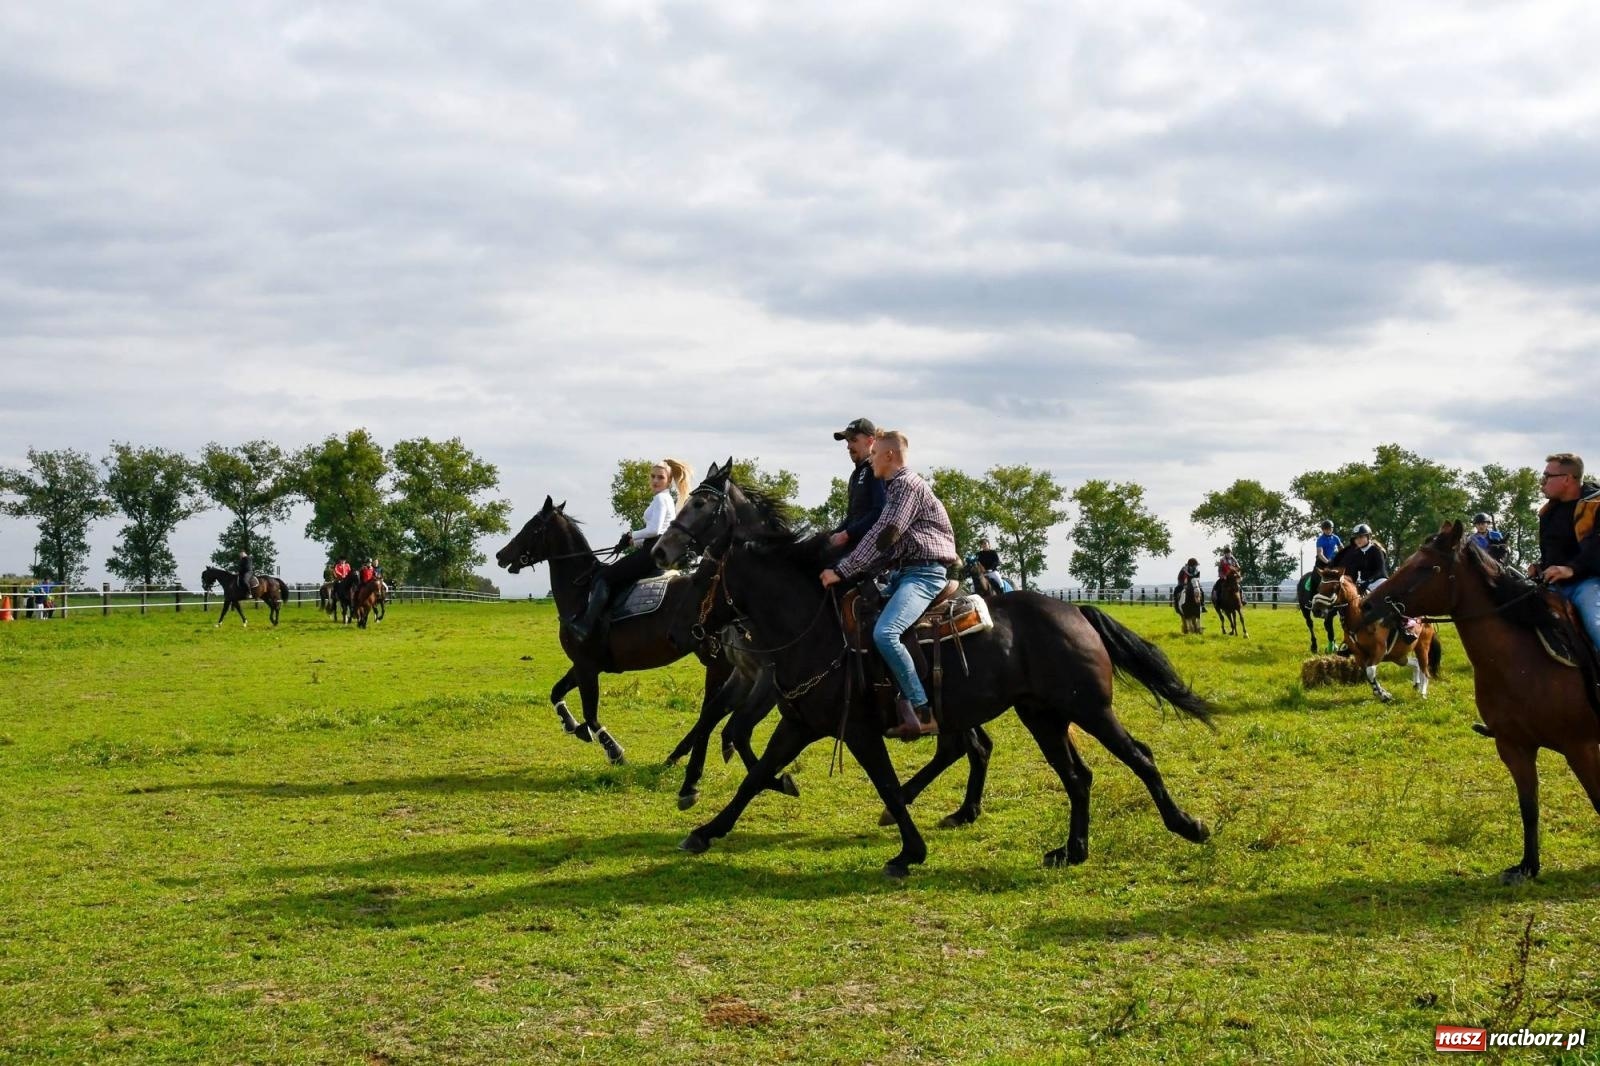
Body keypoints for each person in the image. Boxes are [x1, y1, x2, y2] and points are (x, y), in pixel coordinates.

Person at [821, 430, 956, 741]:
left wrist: (842, 570)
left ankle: (922, 711)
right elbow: (890, 547)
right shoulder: (896, 488)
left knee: (886, 633)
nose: (871, 461)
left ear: (889, 456)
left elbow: (885, 535)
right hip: (905, 572)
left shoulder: (906, 486)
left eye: (875, 455)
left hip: (924, 575)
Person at [569, 458, 693, 642]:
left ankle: (585, 625)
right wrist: (633, 542)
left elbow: (656, 530)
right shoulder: (666, 498)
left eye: (660, 477)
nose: (655, 481)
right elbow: (655, 533)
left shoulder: (661, 498)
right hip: (653, 549)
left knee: (604, 577)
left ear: (668, 481)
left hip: (651, 554)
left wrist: (631, 535)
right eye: (652, 476)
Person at [1531, 452, 1600, 652]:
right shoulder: (1549, 511)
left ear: (1567, 479)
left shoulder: (1596, 507)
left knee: (1597, 627)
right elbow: (1556, 551)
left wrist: (1571, 569)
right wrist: (1540, 566)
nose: (1542, 481)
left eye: (1547, 476)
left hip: (1589, 584)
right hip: (1552, 586)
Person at [827, 418, 887, 553]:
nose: (848, 446)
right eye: (847, 441)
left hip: (871, 552)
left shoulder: (876, 468)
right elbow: (852, 517)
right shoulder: (856, 474)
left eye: (853, 440)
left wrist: (846, 534)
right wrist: (827, 537)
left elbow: (880, 511)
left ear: (870, 441)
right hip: (853, 550)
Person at [1331, 524, 1387, 593]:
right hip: (1363, 583)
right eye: (1356, 538)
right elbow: (1353, 572)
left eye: (1361, 537)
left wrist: (1367, 582)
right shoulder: (1357, 553)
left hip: (1378, 582)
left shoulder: (1376, 550)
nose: (1358, 540)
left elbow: (1380, 571)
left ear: (1368, 537)